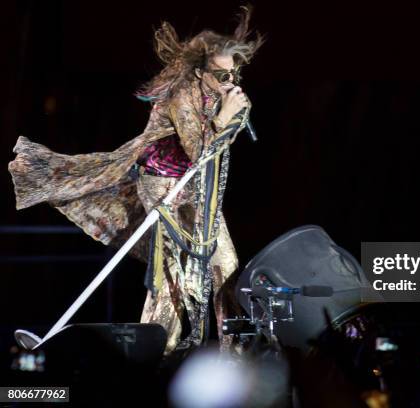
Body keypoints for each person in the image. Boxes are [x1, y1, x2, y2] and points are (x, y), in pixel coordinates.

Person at [8, 5, 264, 357]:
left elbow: (218, 146)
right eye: (222, 76)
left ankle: (234, 360)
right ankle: (158, 356)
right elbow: (198, 150)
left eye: (234, 74)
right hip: (162, 184)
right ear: (200, 72)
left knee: (225, 264)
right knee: (172, 273)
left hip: (198, 189)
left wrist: (229, 117)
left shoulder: (217, 93)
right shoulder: (180, 96)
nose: (230, 82)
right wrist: (225, 118)